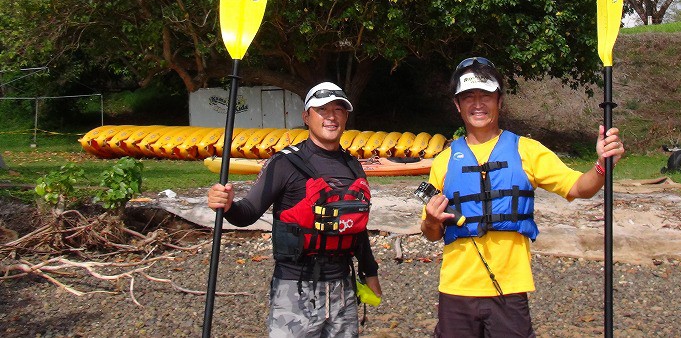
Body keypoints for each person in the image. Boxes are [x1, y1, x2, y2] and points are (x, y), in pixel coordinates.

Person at [420, 57, 625, 337]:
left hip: (510, 289)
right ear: (457, 105)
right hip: (455, 290)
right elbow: (431, 233)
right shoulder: (443, 161)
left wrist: (602, 165)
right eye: (469, 97)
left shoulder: (527, 150)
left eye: (486, 96)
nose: (478, 104)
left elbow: (580, 187)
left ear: (499, 101)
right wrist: (432, 220)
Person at [208, 81, 382, 337]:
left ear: (346, 117)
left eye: (339, 109)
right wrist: (227, 204)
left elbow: (355, 227)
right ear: (306, 116)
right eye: (322, 110)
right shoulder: (284, 163)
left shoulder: (352, 166)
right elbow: (247, 213)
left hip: (343, 288)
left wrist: (370, 271)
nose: (331, 116)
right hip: (295, 287)